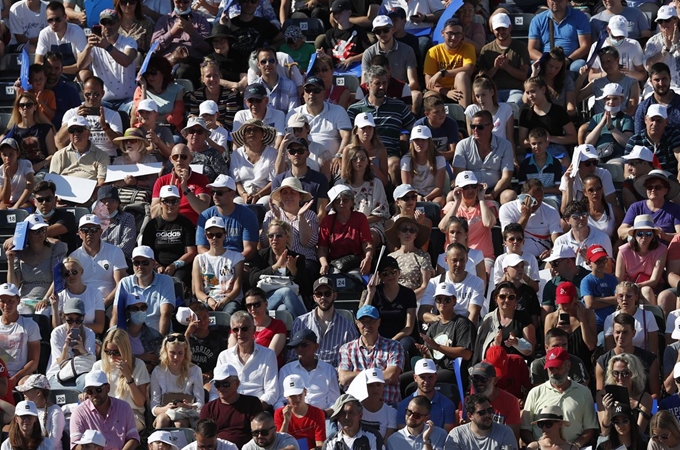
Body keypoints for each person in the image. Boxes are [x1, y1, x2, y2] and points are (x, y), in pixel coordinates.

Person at [347, 65, 416, 183]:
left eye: (384, 83)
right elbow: (348, 136)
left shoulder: (398, 106)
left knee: (394, 164)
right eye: (377, 83)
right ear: (367, 85)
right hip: (360, 156)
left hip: (390, 155)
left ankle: (395, 199)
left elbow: (414, 128)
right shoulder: (355, 109)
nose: (382, 87)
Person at [521, 347, 599, 447]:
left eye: (558, 367)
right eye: (551, 368)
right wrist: (538, 447)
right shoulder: (535, 393)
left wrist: (573, 447)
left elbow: (590, 428)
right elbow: (525, 429)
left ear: (568, 365)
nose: (554, 372)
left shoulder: (584, 392)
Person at [338, 305, 405, 406]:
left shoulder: (394, 346)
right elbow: (344, 379)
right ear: (357, 323)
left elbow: (391, 376)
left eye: (371, 320)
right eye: (363, 321)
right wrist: (377, 375)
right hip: (357, 407)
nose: (367, 325)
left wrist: (357, 377)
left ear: (379, 322)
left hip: (388, 405)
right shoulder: (346, 349)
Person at [290, 277, 359, 367]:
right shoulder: (300, 322)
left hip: (335, 375)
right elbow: (292, 356)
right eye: (319, 294)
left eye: (327, 293)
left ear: (334, 296)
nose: (323, 297)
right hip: (306, 373)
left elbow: (352, 358)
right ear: (314, 297)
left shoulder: (347, 326)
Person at [217, 311, 279, 410]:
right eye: (235, 330)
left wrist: (253, 408)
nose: (240, 333)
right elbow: (216, 390)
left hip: (257, 409)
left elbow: (272, 392)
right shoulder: (224, 356)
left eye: (244, 329)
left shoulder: (268, 355)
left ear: (254, 330)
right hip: (229, 408)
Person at [417, 282, 476, 385]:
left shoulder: (462, 323)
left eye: (447, 299)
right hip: (435, 370)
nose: (442, 303)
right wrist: (426, 353)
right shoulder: (433, 327)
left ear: (454, 301)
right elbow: (430, 359)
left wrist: (437, 346)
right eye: (439, 299)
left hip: (454, 371)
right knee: (404, 381)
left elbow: (466, 354)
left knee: (415, 386)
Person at [77, 9, 138, 108]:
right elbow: (81, 65)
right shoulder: (93, 46)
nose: (108, 26)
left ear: (119, 24)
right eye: (104, 23)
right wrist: (88, 47)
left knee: (137, 109)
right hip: (102, 102)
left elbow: (126, 61)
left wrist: (107, 47)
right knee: (82, 109)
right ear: (100, 25)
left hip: (128, 101)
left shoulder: (129, 42)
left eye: (111, 22)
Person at [360, 256, 417, 359]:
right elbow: (363, 317)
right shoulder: (374, 292)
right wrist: (370, 294)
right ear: (380, 277)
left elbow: (409, 327)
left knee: (404, 345)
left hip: (401, 336)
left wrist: (392, 341)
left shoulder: (408, 294)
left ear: (399, 273)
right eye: (385, 273)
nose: (390, 275)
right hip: (377, 336)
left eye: (393, 272)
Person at [93, 329, 149, 431]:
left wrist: (128, 376)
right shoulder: (98, 366)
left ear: (125, 350)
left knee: (116, 426)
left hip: (132, 414)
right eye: (108, 352)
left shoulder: (139, 365)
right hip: (105, 413)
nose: (111, 356)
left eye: (116, 352)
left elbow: (140, 402)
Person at [111, 245, 175, 335]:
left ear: (153, 263)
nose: (140, 266)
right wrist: (114, 340)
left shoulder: (166, 281)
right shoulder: (125, 282)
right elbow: (117, 314)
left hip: (157, 336)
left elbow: (165, 314)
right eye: (136, 263)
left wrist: (160, 342)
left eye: (145, 263)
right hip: (131, 337)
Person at [249, 221, 309, 317]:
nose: (274, 239)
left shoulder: (296, 258)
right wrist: (276, 266)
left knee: (283, 309)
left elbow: (306, 289)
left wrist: (294, 271)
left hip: (290, 301)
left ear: (287, 237)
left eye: (279, 235)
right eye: (271, 236)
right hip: (265, 301)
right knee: (285, 291)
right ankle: (307, 324)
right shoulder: (261, 255)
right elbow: (252, 280)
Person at [453, 110, 514, 204]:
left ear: (491, 127)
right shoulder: (463, 145)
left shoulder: (505, 145)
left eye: (480, 127)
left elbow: (506, 177)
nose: (476, 130)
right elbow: (459, 175)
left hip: (496, 190)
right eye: (473, 126)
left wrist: (493, 194)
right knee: (450, 196)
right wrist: (473, 193)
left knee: (509, 196)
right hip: (469, 189)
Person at [262, 177, 320, 275]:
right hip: (277, 261)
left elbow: (308, 243)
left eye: (292, 192)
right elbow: (265, 243)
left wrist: (301, 217)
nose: (288, 196)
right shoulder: (271, 214)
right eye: (285, 192)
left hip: (304, 260)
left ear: (300, 196)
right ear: (280, 196)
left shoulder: (310, 215)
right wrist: (277, 219)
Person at [141, 185, 197, 287]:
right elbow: (146, 251)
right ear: (161, 203)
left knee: (177, 283)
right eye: (166, 201)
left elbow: (191, 252)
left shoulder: (186, 224)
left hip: (180, 266)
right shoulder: (152, 225)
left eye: (174, 201)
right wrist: (156, 265)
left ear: (179, 202)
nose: (170, 204)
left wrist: (175, 265)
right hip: (155, 265)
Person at [69, 370, 140, 450]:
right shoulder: (79, 412)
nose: (94, 394)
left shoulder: (124, 407)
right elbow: (75, 445)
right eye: (90, 391)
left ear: (108, 388)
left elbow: (133, 438)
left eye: (98, 390)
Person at [441, 171, 497, 271]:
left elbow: (488, 223)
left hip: (483, 256)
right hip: (454, 256)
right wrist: (457, 201)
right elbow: (444, 228)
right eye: (466, 187)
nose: (471, 190)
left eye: (473, 186)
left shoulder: (487, 205)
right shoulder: (451, 206)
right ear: (458, 189)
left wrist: (481, 198)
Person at [56, 77, 124, 159]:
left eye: (96, 94)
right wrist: (75, 119)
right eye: (88, 94)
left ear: (102, 93)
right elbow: (60, 139)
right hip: (80, 158)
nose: (92, 98)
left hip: (106, 157)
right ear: (83, 93)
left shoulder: (113, 115)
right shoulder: (71, 113)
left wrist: (105, 127)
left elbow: (119, 144)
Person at [595, 313, 660, 398]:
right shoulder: (602, 361)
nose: (621, 336)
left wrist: (643, 405)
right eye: (617, 332)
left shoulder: (649, 359)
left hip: (642, 407)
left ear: (633, 333)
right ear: (613, 333)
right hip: (613, 407)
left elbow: (655, 394)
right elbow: (600, 394)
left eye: (625, 332)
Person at [421, 242, 486, 326]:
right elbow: (422, 312)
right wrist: (436, 319)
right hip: (441, 327)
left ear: (467, 259)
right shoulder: (434, 282)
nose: (459, 264)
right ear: (446, 260)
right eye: (454, 260)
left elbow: (473, 314)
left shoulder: (477, 283)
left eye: (462, 260)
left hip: (464, 327)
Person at [6, 214, 66, 303]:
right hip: (24, 300)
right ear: (27, 233)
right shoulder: (19, 254)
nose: (41, 234)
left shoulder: (56, 249)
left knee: (42, 312)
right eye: (36, 231)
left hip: (50, 299)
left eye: (43, 230)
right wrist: (10, 261)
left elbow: (57, 279)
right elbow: (13, 286)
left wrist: (45, 299)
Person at [200, 364, 264, 448]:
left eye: (225, 384)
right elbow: (204, 437)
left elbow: (259, 432)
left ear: (237, 383)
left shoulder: (252, 403)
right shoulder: (208, 408)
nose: (221, 388)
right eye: (217, 384)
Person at [277, 328, 340, 413]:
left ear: (316, 347)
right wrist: (286, 415)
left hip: (323, 417)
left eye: (304, 345)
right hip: (293, 417)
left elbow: (334, 402)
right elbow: (280, 401)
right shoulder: (286, 370)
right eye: (296, 346)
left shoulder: (328, 370)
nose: (299, 349)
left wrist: (322, 415)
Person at [583, 84, 635, 183]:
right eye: (608, 99)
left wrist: (611, 127)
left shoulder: (626, 119)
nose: (611, 102)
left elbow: (628, 143)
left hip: (617, 156)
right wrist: (601, 124)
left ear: (622, 99)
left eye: (615, 98)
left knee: (613, 170)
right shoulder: (596, 118)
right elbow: (588, 143)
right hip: (597, 157)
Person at [192, 216, 245, 314]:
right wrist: (209, 300)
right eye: (210, 235)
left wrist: (225, 301)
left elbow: (237, 288)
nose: (214, 238)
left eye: (218, 235)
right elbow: (198, 291)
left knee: (229, 312)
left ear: (225, 235)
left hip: (230, 300)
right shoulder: (199, 259)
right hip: (207, 300)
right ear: (206, 236)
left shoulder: (236, 257)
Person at [150, 333, 204, 428]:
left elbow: (200, 403)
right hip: (165, 411)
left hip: (186, 413)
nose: (176, 357)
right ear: (166, 351)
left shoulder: (195, 370)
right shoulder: (158, 371)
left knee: (180, 423)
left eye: (180, 353)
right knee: (162, 420)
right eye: (172, 353)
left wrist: (189, 406)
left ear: (185, 352)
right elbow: (154, 408)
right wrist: (165, 408)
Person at [318, 185, 374, 277]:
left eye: (345, 200)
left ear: (352, 202)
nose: (341, 203)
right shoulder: (327, 220)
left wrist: (368, 258)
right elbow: (322, 248)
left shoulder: (360, 218)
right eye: (337, 201)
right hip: (335, 264)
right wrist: (324, 264)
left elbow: (367, 243)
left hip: (356, 263)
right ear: (333, 205)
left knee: (356, 278)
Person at [519, 77, 577, 165]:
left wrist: (550, 139)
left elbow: (573, 138)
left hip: (556, 149)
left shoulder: (558, 111)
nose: (530, 95)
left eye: (533, 91)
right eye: (527, 93)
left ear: (543, 90)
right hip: (535, 150)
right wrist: (535, 141)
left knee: (561, 163)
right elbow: (522, 141)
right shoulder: (526, 112)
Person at [544, 281, 597, 377]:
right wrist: (557, 333)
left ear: (576, 298)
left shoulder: (588, 315)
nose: (565, 307)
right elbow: (548, 349)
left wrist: (582, 320)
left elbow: (591, 345)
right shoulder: (551, 318)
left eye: (568, 302)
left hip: (583, 366)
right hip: (560, 367)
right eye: (562, 303)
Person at [150, 0, 211, 85]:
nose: (182, 5)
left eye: (185, 2)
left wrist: (192, 32)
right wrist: (172, 33)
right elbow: (154, 48)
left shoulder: (200, 20)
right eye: (178, 2)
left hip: (192, 62)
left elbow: (207, 47)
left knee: (183, 71)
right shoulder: (164, 20)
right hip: (168, 61)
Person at [361, 16, 419, 103]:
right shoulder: (368, 53)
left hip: (400, 92)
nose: (382, 34)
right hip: (377, 93)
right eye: (378, 31)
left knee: (416, 95)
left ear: (393, 29)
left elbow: (413, 82)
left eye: (385, 30)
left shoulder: (407, 50)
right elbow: (364, 84)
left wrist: (400, 91)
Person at [341, 145, 390, 247]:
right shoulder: (341, 184)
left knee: (368, 238)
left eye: (363, 158)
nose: (359, 161)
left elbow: (380, 214)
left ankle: (367, 261)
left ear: (368, 162)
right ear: (350, 161)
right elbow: (334, 211)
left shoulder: (376, 183)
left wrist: (357, 223)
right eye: (355, 159)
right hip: (344, 224)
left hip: (370, 225)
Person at [499, 179, 562, 259]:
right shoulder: (507, 209)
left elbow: (557, 242)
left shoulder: (551, 211)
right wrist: (525, 216)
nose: (538, 204)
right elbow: (510, 236)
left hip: (542, 258)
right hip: (515, 257)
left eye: (540, 199)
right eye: (534, 200)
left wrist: (551, 252)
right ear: (523, 196)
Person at [152, 144, 211, 226]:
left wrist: (185, 189)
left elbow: (203, 210)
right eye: (175, 157)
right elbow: (153, 214)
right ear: (171, 160)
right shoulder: (161, 181)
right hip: (167, 226)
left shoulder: (201, 179)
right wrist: (167, 197)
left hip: (192, 226)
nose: (179, 160)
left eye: (183, 156)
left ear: (190, 159)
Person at [45, 297, 96, 390]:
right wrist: (66, 347)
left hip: (80, 372)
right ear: (64, 317)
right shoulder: (57, 333)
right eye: (70, 320)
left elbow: (90, 363)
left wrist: (82, 350)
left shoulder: (89, 333)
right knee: (70, 391)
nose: (74, 325)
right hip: (58, 373)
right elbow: (60, 363)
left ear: (83, 318)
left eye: (78, 321)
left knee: (86, 385)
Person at [478, 13, 529, 105]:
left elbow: (523, 75)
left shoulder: (521, 47)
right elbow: (482, 78)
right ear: (492, 30)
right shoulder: (486, 49)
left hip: (515, 90)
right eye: (497, 29)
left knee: (513, 105)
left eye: (504, 28)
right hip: (493, 91)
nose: (501, 32)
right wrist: (495, 68)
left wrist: (507, 67)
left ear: (510, 27)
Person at [1, 93, 56, 179]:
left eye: (29, 105)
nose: (25, 108)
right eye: (22, 105)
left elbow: (53, 154)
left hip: (41, 169)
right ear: (18, 109)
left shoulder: (45, 129)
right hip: (20, 170)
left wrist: (39, 165)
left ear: (35, 107)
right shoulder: (13, 131)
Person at [527, 0, 591, 73]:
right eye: (553, 0)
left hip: (571, 60)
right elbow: (531, 49)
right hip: (546, 60)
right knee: (531, 67)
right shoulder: (537, 20)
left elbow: (585, 46)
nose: (556, 2)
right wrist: (546, 60)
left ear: (566, 1)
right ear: (547, 2)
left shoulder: (580, 17)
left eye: (559, 0)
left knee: (579, 66)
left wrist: (568, 60)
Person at [616, 215, 667, 305]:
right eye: (640, 234)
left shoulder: (661, 249)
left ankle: (653, 318)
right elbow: (619, 280)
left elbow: (654, 281)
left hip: (652, 288)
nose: (644, 237)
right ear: (634, 235)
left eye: (648, 234)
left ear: (653, 236)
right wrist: (631, 289)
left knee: (646, 290)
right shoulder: (623, 250)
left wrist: (635, 286)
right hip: (628, 290)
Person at [424, 19, 475, 108]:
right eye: (450, 33)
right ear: (443, 33)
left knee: (462, 75)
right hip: (440, 90)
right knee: (429, 97)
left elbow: (469, 69)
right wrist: (446, 92)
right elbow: (429, 82)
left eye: (457, 34)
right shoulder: (433, 51)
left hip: (459, 89)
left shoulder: (468, 48)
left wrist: (442, 73)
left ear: (462, 35)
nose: (454, 38)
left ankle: (464, 116)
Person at [230, 289, 287, 368]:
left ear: (266, 304)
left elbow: (270, 355)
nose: (252, 308)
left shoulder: (278, 325)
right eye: (249, 306)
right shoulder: (239, 326)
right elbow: (231, 353)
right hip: (241, 368)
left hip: (268, 369)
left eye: (256, 304)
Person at [596, 353, 652, 433]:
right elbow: (605, 432)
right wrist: (608, 411)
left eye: (625, 373)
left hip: (635, 441)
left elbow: (639, 433)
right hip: (610, 441)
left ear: (634, 374)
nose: (620, 378)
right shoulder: (602, 395)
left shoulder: (645, 398)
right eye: (615, 373)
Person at [50, 115, 109, 188]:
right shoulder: (59, 155)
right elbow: (53, 181)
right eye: (72, 130)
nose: (76, 133)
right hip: (64, 195)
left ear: (88, 132)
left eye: (79, 129)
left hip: (91, 195)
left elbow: (101, 182)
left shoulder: (102, 155)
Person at [229, 118, 279, 205]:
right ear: (243, 135)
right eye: (248, 130)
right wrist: (243, 195)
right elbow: (236, 181)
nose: (252, 133)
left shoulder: (272, 153)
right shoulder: (236, 154)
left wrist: (258, 195)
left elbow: (273, 180)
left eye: (256, 130)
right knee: (236, 204)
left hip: (264, 194)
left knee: (264, 204)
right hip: (243, 193)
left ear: (262, 134)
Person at [184, 59, 242, 132]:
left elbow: (229, 124)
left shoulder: (229, 95)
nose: (212, 79)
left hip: (223, 133)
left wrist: (214, 125)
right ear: (202, 79)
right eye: (208, 76)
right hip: (202, 132)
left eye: (215, 75)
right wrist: (214, 123)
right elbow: (194, 120)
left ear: (220, 76)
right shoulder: (195, 96)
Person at [619, 171, 680, 240]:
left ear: (666, 190)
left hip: (665, 249)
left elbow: (679, 235)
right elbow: (621, 232)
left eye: (658, 187)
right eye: (649, 187)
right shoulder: (636, 207)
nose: (653, 190)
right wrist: (637, 230)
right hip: (638, 249)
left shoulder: (675, 209)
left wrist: (665, 235)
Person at [467, 361, 521, 439]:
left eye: (483, 379)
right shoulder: (467, 401)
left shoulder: (510, 401)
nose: (479, 383)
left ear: (495, 381)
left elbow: (512, 438)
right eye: (475, 379)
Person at [553, 201, 613, 270]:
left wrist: (590, 260)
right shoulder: (560, 242)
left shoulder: (603, 238)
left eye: (584, 214)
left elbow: (608, 270)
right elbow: (558, 270)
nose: (581, 218)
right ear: (567, 220)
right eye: (575, 216)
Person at [34, 1, 87, 78]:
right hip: (52, 74)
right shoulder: (44, 33)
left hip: (74, 73)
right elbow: (38, 62)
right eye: (50, 20)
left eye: (57, 19)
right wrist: (53, 70)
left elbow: (84, 65)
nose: (54, 23)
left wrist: (59, 70)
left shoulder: (77, 31)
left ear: (65, 17)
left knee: (84, 74)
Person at [0, 282, 40, 384]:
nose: (6, 305)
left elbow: (33, 361)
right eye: (3, 301)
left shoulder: (30, 325)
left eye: (10, 301)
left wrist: (15, 378)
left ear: (18, 301)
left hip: (21, 376)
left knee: (28, 384)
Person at [131, 55, 185, 130]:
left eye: (153, 73)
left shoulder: (177, 89)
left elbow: (177, 117)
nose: (149, 77)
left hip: (170, 130)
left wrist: (151, 118)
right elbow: (141, 114)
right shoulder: (140, 90)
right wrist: (143, 87)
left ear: (163, 72)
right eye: (147, 73)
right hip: (146, 130)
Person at [446, 393, 517, 449]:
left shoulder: (505, 432)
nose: (487, 415)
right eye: (482, 412)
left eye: (490, 410)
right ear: (470, 416)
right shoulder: (457, 435)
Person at [604, 282, 659, 355]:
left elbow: (653, 350)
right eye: (620, 296)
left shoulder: (648, 316)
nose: (624, 299)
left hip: (642, 360)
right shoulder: (610, 319)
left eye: (629, 296)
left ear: (636, 297)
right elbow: (610, 352)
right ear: (616, 298)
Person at [274, 375, 325, 449]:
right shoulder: (279, 413)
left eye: (299, 394)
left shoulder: (317, 413)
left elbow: (320, 445)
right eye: (292, 395)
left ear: (305, 392)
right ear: (286, 397)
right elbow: (279, 445)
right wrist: (286, 421)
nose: (297, 398)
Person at [15, 375, 64, 450]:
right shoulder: (25, 410)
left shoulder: (56, 412)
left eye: (27, 390)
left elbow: (53, 444)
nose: (23, 393)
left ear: (38, 393)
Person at [464, 76, 515, 150]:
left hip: (501, 152)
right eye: (477, 96)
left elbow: (509, 139)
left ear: (492, 92)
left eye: (484, 95)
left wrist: (514, 159)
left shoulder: (506, 109)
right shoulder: (471, 110)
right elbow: (472, 139)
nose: (480, 99)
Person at [400, 125, 446, 207]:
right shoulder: (406, 160)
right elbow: (407, 187)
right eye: (417, 140)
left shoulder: (439, 159)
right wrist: (416, 196)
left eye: (423, 140)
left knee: (436, 204)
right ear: (412, 142)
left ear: (429, 141)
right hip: (413, 195)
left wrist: (426, 198)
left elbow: (439, 187)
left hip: (433, 195)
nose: (420, 143)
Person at [110, 128, 158, 201]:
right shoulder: (118, 161)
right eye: (126, 141)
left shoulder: (150, 160)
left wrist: (136, 182)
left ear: (140, 143)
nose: (128, 143)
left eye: (132, 141)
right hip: (122, 196)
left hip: (143, 197)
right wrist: (123, 183)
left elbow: (154, 183)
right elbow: (113, 184)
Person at [635, 62, 680, 134]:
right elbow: (638, 137)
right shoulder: (643, 107)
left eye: (664, 79)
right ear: (651, 81)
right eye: (657, 80)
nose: (661, 83)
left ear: (670, 78)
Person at [95, 186, 137, 261]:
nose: (107, 204)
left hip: (120, 261)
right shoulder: (94, 220)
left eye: (111, 200)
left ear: (118, 203)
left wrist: (107, 256)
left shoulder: (128, 218)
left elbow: (127, 247)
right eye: (103, 200)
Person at [359, 368, 398, 440]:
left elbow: (387, 442)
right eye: (371, 385)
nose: (375, 388)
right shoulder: (356, 410)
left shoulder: (391, 413)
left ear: (383, 387)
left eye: (378, 385)